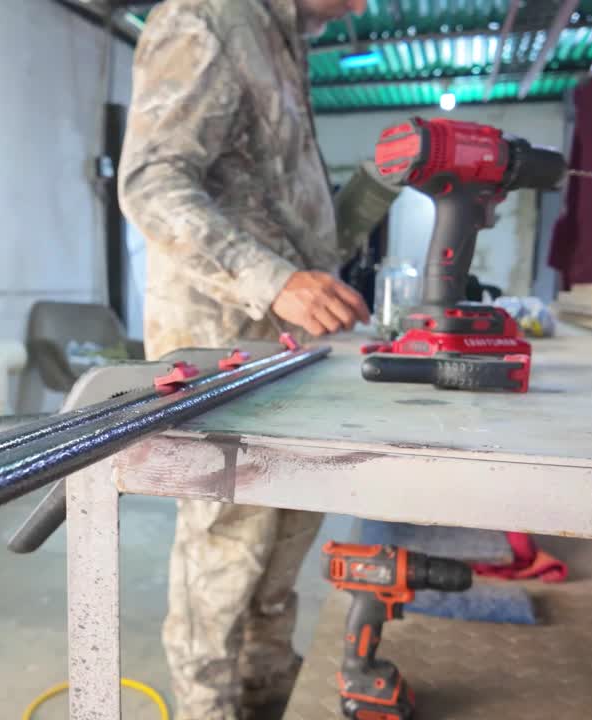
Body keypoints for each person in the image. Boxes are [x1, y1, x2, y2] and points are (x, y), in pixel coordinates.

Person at [118, 1, 370, 718]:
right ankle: (210, 711)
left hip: (290, 345)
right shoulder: (206, 17)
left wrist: (371, 191)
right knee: (226, 553)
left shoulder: (283, 38)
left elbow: (276, 203)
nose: (360, 6)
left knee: (283, 550)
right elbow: (151, 184)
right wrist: (276, 281)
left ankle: (265, 703)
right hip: (224, 343)